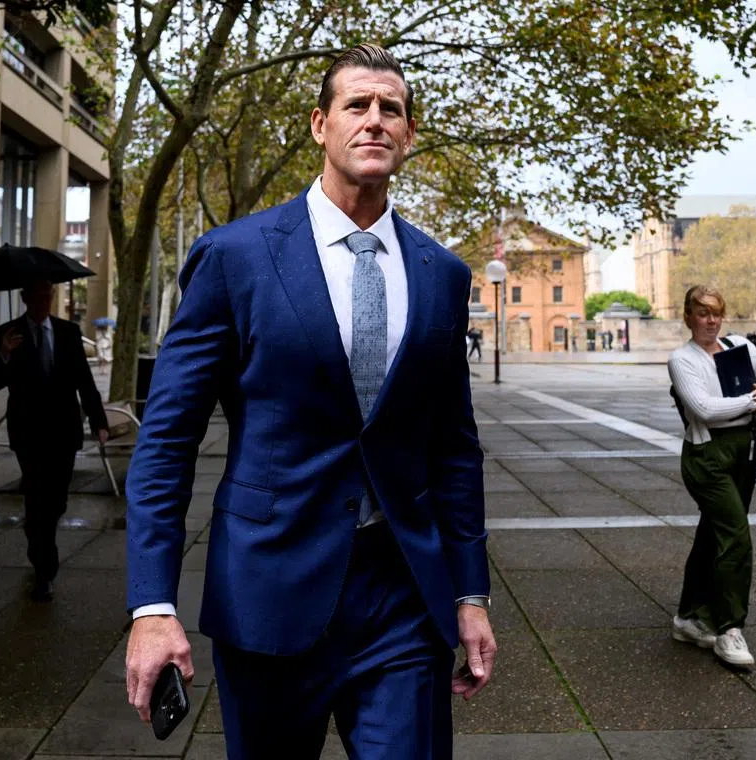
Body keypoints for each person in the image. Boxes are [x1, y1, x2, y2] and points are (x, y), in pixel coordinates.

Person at [123, 44, 495, 759]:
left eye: (392, 109)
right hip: (268, 589)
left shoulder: (442, 274)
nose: (375, 120)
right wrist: (152, 605)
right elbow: (167, 441)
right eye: (358, 105)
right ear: (322, 125)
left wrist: (470, 593)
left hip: (401, 596)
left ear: (409, 134)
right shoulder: (236, 257)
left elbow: (453, 447)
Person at [667, 285, 756, 669]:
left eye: (716, 312)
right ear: (688, 317)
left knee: (713, 533)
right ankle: (729, 628)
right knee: (735, 536)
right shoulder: (681, 359)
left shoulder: (739, 346)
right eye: (702, 313)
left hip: (743, 452)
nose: (711, 320)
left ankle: (688, 618)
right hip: (707, 457)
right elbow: (704, 409)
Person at [0, 279, 109, 602]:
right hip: (28, 431)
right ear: (24, 298)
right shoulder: (7, 333)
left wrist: (99, 422)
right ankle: (44, 568)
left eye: (46, 296)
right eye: (36, 297)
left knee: (56, 501)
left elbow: (84, 379)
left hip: (64, 430)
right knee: (38, 497)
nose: (42, 302)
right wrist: (4, 355)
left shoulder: (68, 332)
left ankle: (37, 531)